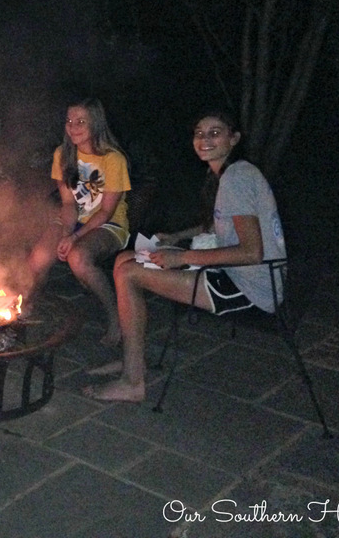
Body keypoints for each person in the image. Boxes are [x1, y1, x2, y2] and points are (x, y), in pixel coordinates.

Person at [85, 110, 287, 402]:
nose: (205, 139)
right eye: (199, 133)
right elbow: (220, 224)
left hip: (249, 286)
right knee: (123, 259)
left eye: (215, 133)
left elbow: (251, 252)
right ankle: (134, 359)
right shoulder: (229, 173)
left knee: (128, 273)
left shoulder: (237, 180)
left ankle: (133, 381)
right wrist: (178, 238)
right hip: (235, 272)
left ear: (234, 139)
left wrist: (181, 257)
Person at [27, 98, 131, 346]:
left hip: (109, 224)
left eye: (81, 121)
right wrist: (65, 231)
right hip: (73, 220)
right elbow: (68, 204)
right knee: (39, 256)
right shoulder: (63, 155)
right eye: (69, 121)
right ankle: (26, 304)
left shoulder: (113, 160)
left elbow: (106, 212)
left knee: (78, 258)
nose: (73, 127)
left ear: (96, 123)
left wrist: (73, 238)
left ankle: (116, 318)